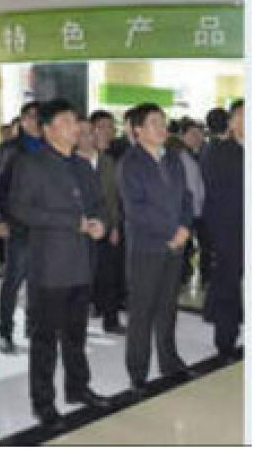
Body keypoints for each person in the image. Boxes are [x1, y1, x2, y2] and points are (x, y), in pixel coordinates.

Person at [10, 99, 111, 429]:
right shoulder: (32, 164)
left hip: (82, 263)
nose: (75, 127)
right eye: (66, 121)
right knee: (45, 340)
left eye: (75, 121)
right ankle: (43, 403)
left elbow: (100, 204)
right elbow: (20, 210)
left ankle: (78, 387)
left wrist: (102, 224)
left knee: (76, 334)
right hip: (50, 267)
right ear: (47, 129)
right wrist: (72, 223)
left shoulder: (82, 165)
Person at [118, 103, 195, 395]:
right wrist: (170, 233)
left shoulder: (173, 158)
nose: (162, 128)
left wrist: (185, 227)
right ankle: (138, 371)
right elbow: (135, 209)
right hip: (147, 248)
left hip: (175, 246)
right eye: (154, 123)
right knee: (142, 312)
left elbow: (186, 197)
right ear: (137, 130)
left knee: (167, 307)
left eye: (163, 122)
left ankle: (169, 361)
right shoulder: (130, 163)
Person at [0, 101, 44, 353]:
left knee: (39, 281)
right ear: (22, 120)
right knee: (13, 281)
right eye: (31, 116)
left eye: (41, 117)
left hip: (45, 226)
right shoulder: (9, 149)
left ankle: (34, 326)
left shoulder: (51, 147)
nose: (36, 121)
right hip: (17, 224)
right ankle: (4, 331)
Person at [202, 99, 244, 361]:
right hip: (229, 231)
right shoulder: (219, 152)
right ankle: (225, 342)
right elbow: (215, 196)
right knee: (228, 285)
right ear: (233, 121)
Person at [76, 118, 125, 334]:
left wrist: (114, 226)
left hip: (105, 226)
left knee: (109, 275)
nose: (88, 137)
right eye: (83, 133)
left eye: (91, 132)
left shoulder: (107, 161)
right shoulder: (69, 163)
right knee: (81, 277)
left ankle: (111, 320)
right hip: (79, 229)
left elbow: (114, 198)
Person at [90, 109, 127, 309]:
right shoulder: (79, 158)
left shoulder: (114, 157)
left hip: (110, 222)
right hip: (87, 224)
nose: (107, 131)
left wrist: (114, 225)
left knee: (110, 267)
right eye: (102, 127)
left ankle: (108, 306)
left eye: (111, 127)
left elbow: (114, 196)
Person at [177, 119, 207, 286]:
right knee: (185, 246)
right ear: (183, 136)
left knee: (200, 246)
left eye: (199, 134)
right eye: (193, 134)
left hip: (201, 210)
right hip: (187, 210)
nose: (197, 137)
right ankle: (182, 277)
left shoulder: (204, 154)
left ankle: (198, 276)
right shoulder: (179, 156)